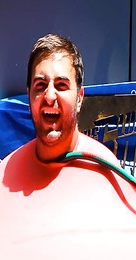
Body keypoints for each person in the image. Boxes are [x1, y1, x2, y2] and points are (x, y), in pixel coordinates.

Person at [23, 33, 119, 165]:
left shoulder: (104, 170)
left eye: (61, 85)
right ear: (29, 96)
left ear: (79, 98)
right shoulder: (7, 171)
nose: (50, 96)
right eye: (40, 85)